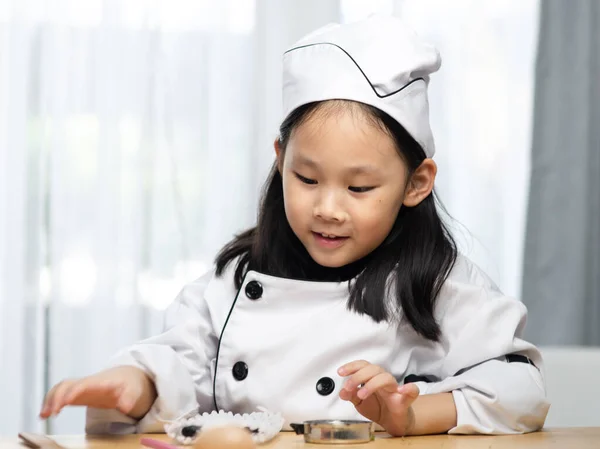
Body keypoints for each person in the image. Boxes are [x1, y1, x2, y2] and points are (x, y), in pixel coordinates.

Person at [39, 14, 550, 437]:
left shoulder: (437, 283)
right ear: (281, 160)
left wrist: (411, 412)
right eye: (307, 178)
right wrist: (139, 382)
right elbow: (182, 358)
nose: (328, 208)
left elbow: (520, 392)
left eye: (359, 188)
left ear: (416, 183)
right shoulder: (238, 278)